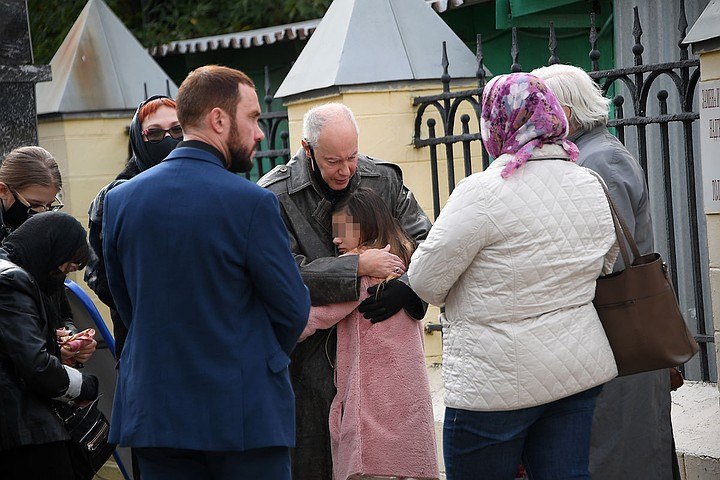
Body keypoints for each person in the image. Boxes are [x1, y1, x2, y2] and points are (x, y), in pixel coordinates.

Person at [103, 65, 310, 480]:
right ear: (218, 119)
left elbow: (126, 303)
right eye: (252, 118)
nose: (260, 133)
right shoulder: (251, 204)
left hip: (156, 416)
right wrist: (253, 358)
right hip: (241, 420)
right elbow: (292, 310)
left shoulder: (120, 202)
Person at [408, 73, 619, 480]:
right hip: (574, 369)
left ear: (495, 121)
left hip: (495, 385)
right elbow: (604, 261)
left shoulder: (482, 193)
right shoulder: (589, 182)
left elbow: (426, 282)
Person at [258, 103, 432, 479]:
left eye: (352, 157)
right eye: (333, 160)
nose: (346, 170)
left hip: (381, 368)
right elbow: (279, 274)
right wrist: (356, 268)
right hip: (308, 369)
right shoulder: (274, 195)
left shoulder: (382, 179)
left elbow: (427, 243)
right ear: (307, 149)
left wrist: (404, 286)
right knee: (314, 465)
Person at [532, 63, 677, 479]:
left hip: (620, 333)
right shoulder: (591, 153)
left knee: (624, 453)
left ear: (567, 113)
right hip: (611, 335)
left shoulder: (600, 161)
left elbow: (610, 256)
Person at [300, 188, 438, 480]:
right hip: (406, 393)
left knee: (370, 466)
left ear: (365, 228)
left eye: (342, 230)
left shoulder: (365, 274)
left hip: (372, 400)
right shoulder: (402, 267)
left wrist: (276, 330)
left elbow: (322, 315)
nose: (335, 239)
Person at [0, 212, 99, 480]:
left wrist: (63, 342)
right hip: (24, 430)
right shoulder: (13, 280)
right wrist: (83, 385)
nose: (60, 277)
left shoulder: (24, 271)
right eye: (62, 269)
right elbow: (35, 364)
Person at [85, 94, 182, 359]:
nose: (168, 139)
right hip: (140, 339)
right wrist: (142, 309)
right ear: (140, 138)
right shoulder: (113, 198)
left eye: (177, 130)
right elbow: (97, 273)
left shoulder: (209, 184)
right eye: (155, 133)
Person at [0, 146, 96, 368]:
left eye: (50, 206)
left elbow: (62, 311)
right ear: (3, 191)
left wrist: (70, 339)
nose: (42, 213)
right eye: (33, 205)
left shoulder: (48, 244)